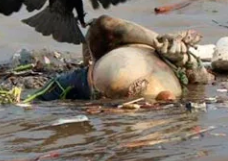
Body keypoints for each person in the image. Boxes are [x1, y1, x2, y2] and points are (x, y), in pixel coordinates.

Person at [36, 15, 212, 101]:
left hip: (106, 77)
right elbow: (198, 79)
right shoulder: (179, 67)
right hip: (160, 85)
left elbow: (105, 24)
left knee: (44, 94)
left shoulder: (109, 46)